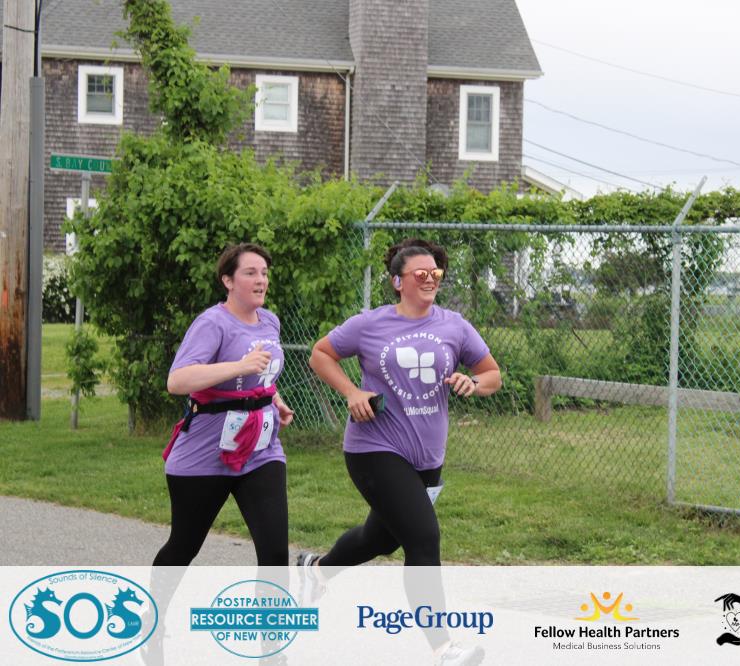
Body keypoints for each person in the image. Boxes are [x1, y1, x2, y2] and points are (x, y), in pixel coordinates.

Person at [299, 238, 500, 665]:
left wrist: (474, 383)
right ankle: (444, 648)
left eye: (436, 273)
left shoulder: (455, 326)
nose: (430, 279)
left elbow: (491, 374)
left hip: (427, 458)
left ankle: (316, 570)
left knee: (379, 539)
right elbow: (321, 354)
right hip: (374, 448)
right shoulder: (369, 324)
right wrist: (352, 391)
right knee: (423, 538)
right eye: (420, 273)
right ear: (397, 281)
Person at [153, 242, 294, 566]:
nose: (261, 280)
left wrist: (274, 399)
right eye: (250, 273)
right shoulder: (212, 323)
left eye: (264, 273)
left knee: (275, 554)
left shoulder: (269, 321)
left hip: (261, 450)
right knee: (183, 547)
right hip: (206, 452)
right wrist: (239, 367)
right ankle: (152, 600)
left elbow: (260, 376)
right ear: (228, 281)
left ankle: (271, 605)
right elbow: (177, 381)